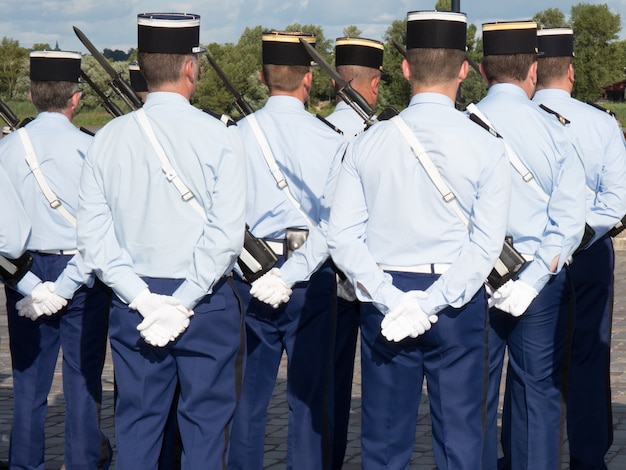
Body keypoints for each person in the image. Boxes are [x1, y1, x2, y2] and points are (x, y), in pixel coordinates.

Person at [327, 11, 511, 469]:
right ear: (465, 70)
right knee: (462, 444)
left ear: (406, 68)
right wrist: (431, 303)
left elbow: (342, 237)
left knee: (385, 445)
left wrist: (395, 300)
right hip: (456, 301)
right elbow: (486, 245)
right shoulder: (487, 146)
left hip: (385, 302)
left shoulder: (367, 143)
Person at [76, 13, 247, 469]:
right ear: (191, 68)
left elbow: (94, 237)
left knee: (136, 430)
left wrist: (144, 300)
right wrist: (182, 301)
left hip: (136, 303)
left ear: (144, 67)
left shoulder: (105, 141)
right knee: (206, 436)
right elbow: (226, 236)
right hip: (205, 302)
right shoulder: (222, 139)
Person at [227, 30, 347, 470]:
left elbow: (225, 218)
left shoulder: (235, 136)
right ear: (309, 79)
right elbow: (335, 226)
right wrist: (292, 273)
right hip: (309, 276)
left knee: (248, 399)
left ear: (262, 76)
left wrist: (261, 274)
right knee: (308, 399)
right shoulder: (331, 139)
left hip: (249, 276)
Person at [474, 21, 586, 469]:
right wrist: (535, 277)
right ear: (534, 70)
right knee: (537, 394)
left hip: (474, 280)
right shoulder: (556, 130)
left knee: (472, 396)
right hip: (538, 284)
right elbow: (569, 223)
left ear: (482, 71)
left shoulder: (466, 125)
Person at [0, 50, 112, 469]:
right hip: (81, 271)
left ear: (31, 94)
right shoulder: (93, 147)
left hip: (25, 271)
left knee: (29, 386)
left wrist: (30, 285)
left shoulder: (7, 148)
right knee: (83, 383)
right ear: (76, 98)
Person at [533, 27, 626, 469]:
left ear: (533, 72)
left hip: (528, 253)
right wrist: (581, 233)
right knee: (589, 351)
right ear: (570, 71)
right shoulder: (600, 122)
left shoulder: (510, 120)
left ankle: (526, 451)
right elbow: (615, 201)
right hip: (588, 251)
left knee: (529, 358)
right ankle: (588, 457)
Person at [324, 35, 385, 470]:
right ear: (375, 84)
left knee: (331, 383)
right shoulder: (382, 136)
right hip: (381, 277)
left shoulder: (321, 131)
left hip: (328, 277)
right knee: (384, 388)